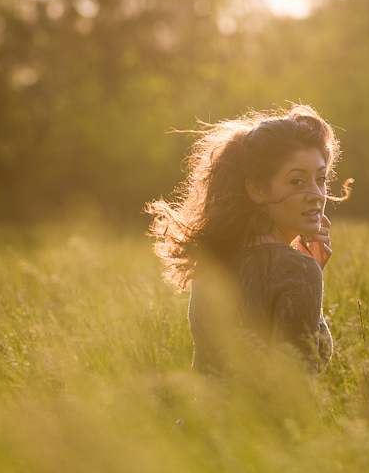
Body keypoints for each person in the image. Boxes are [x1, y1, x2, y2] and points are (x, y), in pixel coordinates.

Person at [145, 104, 352, 377]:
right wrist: (307, 273)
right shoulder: (296, 270)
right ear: (256, 190)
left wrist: (311, 273)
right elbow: (297, 387)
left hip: (199, 420)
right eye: (297, 182)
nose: (316, 194)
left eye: (321, 179)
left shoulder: (212, 264)